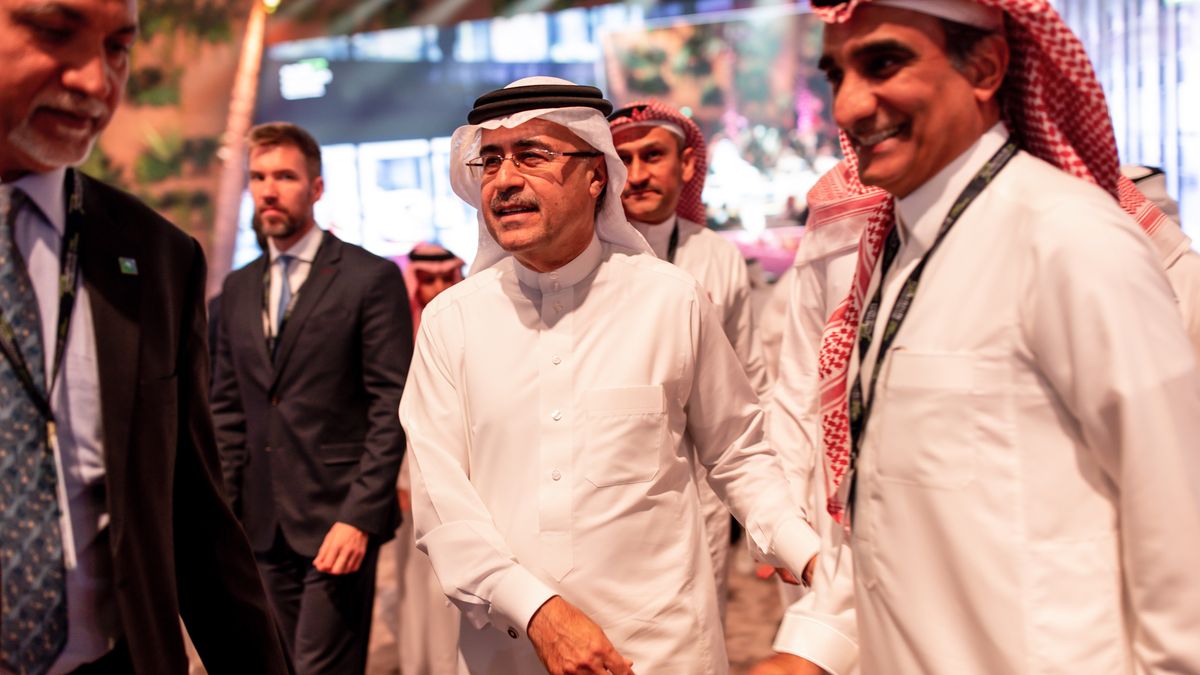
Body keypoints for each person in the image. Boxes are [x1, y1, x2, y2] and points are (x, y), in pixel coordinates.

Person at [763, 1, 1200, 673]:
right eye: (836, 74)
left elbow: (1182, 536)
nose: (850, 104)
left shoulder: (1069, 240)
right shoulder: (898, 255)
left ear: (988, 67)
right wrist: (809, 648)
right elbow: (886, 511)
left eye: (884, 63)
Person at [398, 76, 820, 674]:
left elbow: (737, 453)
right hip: (509, 648)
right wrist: (539, 612)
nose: (505, 180)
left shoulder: (671, 300)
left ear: (597, 174)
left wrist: (803, 550)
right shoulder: (450, 323)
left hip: (658, 650)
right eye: (490, 160)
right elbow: (443, 504)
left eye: (533, 155)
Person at [0, 0, 290, 672]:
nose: (96, 82)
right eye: (54, 31)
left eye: (117, 49)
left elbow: (195, 518)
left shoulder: (153, 256)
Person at [211, 121, 411, 674]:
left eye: (285, 176)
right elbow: (227, 410)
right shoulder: (237, 288)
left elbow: (391, 404)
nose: (269, 190)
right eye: (259, 177)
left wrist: (360, 517)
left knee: (322, 669)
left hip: (336, 521)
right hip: (259, 525)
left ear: (316, 188)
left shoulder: (368, 278)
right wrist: (225, 519)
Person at [608, 100, 769, 620]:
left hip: (701, 489)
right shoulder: (587, 254)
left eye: (652, 155)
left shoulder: (718, 256)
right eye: (622, 158)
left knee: (697, 628)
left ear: (688, 164)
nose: (636, 175)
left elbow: (751, 380)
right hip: (609, 488)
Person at [392, 241, 464, 675]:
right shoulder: (399, 331)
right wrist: (404, 478)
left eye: (445, 278)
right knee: (418, 584)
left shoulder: (463, 322)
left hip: (463, 473)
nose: (437, 287)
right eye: (428, 280)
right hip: (410, 477)